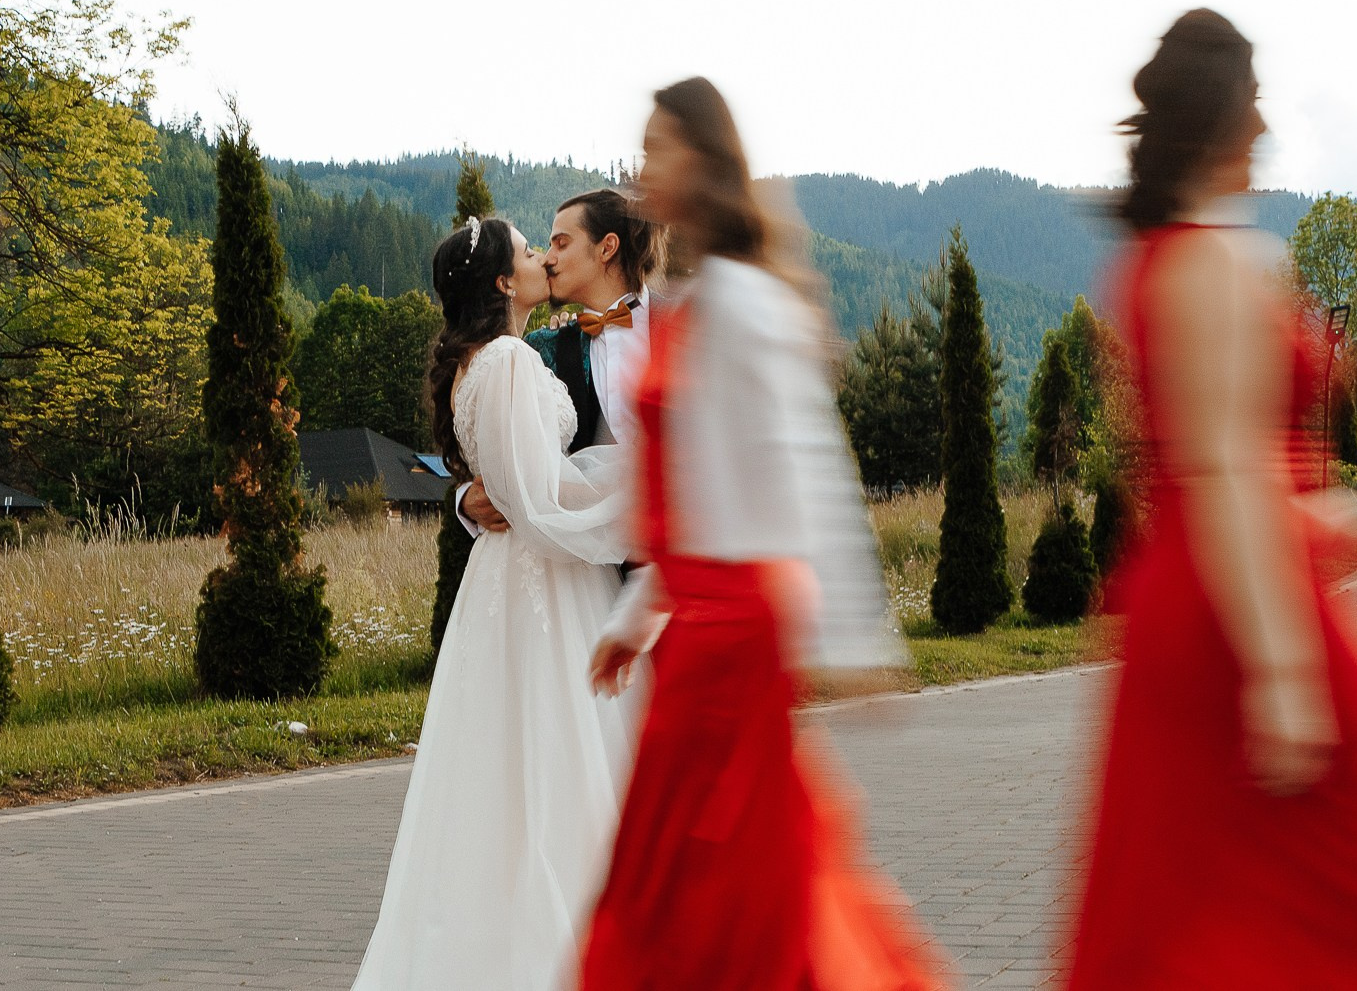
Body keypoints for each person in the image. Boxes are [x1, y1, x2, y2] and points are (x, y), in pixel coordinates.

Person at [1061, 10, 1357, 989]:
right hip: (1252, 615)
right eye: (1254, 101)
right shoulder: (1216, 262)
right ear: (1226, 118)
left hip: (1186, 607)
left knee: (1193, 923)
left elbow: (1227, 476)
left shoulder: (1151, 263)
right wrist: (1282, 674)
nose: (1265, 126)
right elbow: (1228, 474)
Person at [580, 77, 941, 991]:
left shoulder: (743, 305)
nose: (641, 165)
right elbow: (706, 490)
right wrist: (638, 612)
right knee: (692, 891)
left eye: (657, 146)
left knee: (723, 900)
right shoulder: (699, 303)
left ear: (700, 162)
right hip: (699, 629)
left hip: (735, 638)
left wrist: (857, 640)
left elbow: (806, 469)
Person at [351, 216, 640, 991]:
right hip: (548, 577)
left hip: (513, 584)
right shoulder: (514, 355)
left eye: (554, 243)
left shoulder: (484, 360)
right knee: (555, 767)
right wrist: (643, 494)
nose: (545, 256)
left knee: (509, 772)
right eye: (528, 251)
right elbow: (534, 498)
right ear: (506, 284)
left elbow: (513, 477)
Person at [457, 186, 659, 529]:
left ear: (607, 247)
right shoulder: (540, 349)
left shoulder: (687, 325)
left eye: (561, 244)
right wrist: (465, 498)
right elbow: (488, 433)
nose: (548, 259)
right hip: (594, 563)